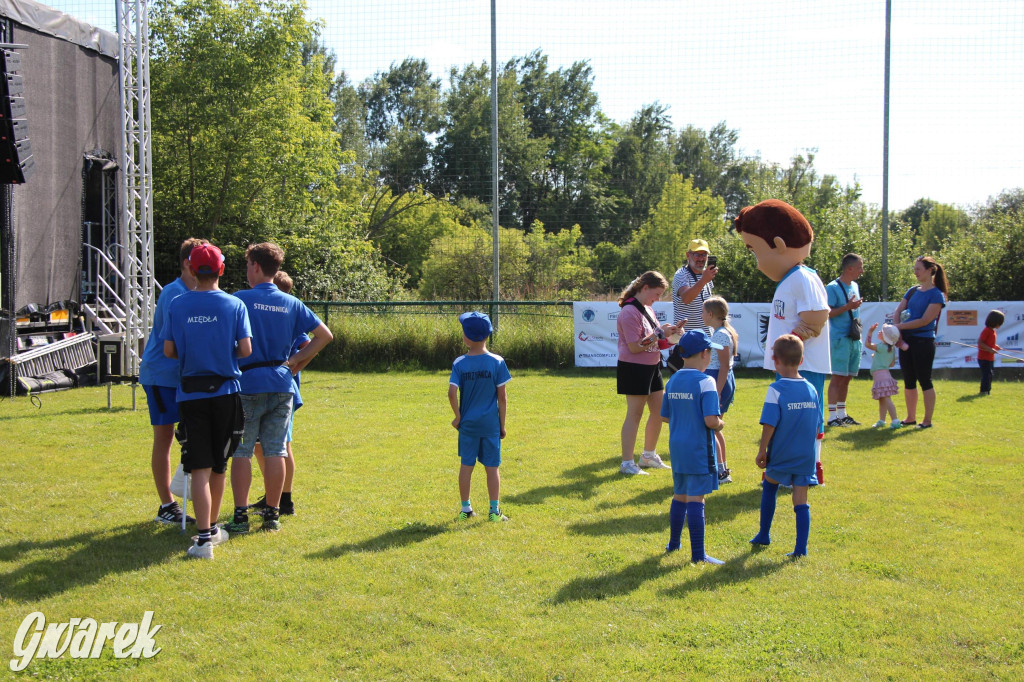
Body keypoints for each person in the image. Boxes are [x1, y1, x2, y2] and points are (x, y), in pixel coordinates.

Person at [227, 243, 333, 534]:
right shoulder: (292, 302)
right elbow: (325, 335)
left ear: (257, 267)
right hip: (282, 383)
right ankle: (272, 516)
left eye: (248, 265)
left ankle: (240, 516)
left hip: (248, 382)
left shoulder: (240, 300)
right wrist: (297, 360)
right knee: (276, 451)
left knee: (242, 451)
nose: (247, 270)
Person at [161, 243, 252, 559]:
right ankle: (211, 530)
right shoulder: (234, 305)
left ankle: (204, 539)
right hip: (226, 393)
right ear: (221, 269)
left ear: (191, 268)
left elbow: (169, 351)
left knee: (198, 467)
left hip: (191, 394)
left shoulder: (178, 304)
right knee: (218, 465)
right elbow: (246, 350)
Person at [734, 199, 830, 484]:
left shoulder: (803, 278)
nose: (755, 259)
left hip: (804, 366)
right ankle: (787, 469)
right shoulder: (790, 279)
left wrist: (790, 344)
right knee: (786, 419)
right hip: (789, 366)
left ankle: (809, 469)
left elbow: (816, 317)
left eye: (755, 250)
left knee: (806, 418)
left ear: (777, 244)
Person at [139, 237, 204, 525]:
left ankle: (189, 495)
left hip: (186, 378)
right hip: (162, 377)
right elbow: (173, 343)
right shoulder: (173, 294)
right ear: (188, 264)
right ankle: (167, 505)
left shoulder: (202, 292)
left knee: (193, 436)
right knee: (164, 438)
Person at [750, 335, 821, 557]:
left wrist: (762, 450)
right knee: (801, 499)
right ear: (801, 360)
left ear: (775, 360)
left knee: (770, 487)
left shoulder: (776, 389)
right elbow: (816, 423)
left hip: (782, 453)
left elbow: (769, 423)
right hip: (805, 456)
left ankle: (764, 534)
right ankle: (801, 549)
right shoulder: (811, 389)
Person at [660, 330, 725, 564]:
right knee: (697, 499)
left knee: (679, 495)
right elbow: (710, 420)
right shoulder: (706, 382)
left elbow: (665, 417)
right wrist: (720, 423)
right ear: (705, 354)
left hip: (677, 448)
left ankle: (673, 544)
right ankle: (699, 555)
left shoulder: (674, 379)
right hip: (698, 449)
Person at [249, 271, 309, 517]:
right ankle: (273, 495)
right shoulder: (283, 313)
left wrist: (294, 365)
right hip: (277, 383)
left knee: (282, 445)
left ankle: (285, 500)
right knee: (262, 446)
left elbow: (307, 343)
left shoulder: (287, 315)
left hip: (282, 387)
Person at [616, 271, 684, 475]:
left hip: (652, 367)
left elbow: (657, 343)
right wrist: (658, 333)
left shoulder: (647, 309)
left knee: (659, 411)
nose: (658, 299)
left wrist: (672, 336)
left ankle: (648, 455)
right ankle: (627, 463)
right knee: (634, 414)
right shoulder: (629, 312)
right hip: (634, 367)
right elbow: (635, 347)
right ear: (644, 288)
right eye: (656, 294)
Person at [449, 312, 511, 522]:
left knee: (467, 466)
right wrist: (502, 425)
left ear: (466, 337)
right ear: (488, 335)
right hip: (490, 425)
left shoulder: (459, 363)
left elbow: (451, 392)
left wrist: (457, 417)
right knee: (492, 468)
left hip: (468, 425)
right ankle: (494, 511)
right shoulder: (497, 361)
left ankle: (466, 509)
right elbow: (502, 397)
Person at [892, 256, 948, 429]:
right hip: (905, 340)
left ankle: (927, 420)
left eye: (918, 269)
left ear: (930, 270)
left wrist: (898, 327)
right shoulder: (912, 290)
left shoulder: (937, 295)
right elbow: (899, 310)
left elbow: (925, 320)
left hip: (923, 341)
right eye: (914, 268)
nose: (915, 272)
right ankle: (910, 417)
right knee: (908, 380)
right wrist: (896, 330)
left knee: (924, 379)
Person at [825, 253, 865, 427]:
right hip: (839, 338)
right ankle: (832, 416)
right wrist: (849, 307)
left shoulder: (854, 285)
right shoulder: (832, 287)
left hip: (854, 337)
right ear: (850, 268)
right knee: (838, 377)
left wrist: (852, 307)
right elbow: (828, 313)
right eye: (859, 267)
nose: (861, 271)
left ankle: (842, 413)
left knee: (848, 377)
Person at [701, 296, 738, 484]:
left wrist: (716, 392)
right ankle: (721, 469)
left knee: (713, 427)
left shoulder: (721, 334)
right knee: (714, 427)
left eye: (702, 312)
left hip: (719, 380)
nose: (701, 315)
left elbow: (723, 366)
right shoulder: (718, 332)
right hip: (717, 379)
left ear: (710, 314)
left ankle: (722, 471)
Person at [672, 239, 718, 332]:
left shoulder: (706, 274)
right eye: (697, 254)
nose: (701, 259)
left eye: (704, 255)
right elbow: (686, 298)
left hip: (706, 336)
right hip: (687, 337)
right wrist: (704, 280)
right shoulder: (681, 274)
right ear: (688, 255)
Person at [865, 323, 906, 429]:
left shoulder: (881, 347)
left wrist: (870, 332)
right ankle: (882, 420)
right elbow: (891, 364)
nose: (879, 332)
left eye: (882, 332)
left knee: (886, 399)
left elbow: (868, 345)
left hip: (880, 376)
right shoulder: (891, 349)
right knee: (882, 399)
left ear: (885, 337)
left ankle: (895, 420)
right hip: (885, 375)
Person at [978, 310, 1005, 396]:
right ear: (995, 322)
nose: (1000, 325)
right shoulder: (987, 331)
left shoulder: (992, 331)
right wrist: (990, 349)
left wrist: (996, 347)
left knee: (989, 375)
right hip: (984, 358)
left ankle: (987, 391)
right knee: (987, 375)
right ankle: (984, 391)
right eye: (1000, 323)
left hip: (990, 358)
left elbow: (990, 344)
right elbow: (980, 343)